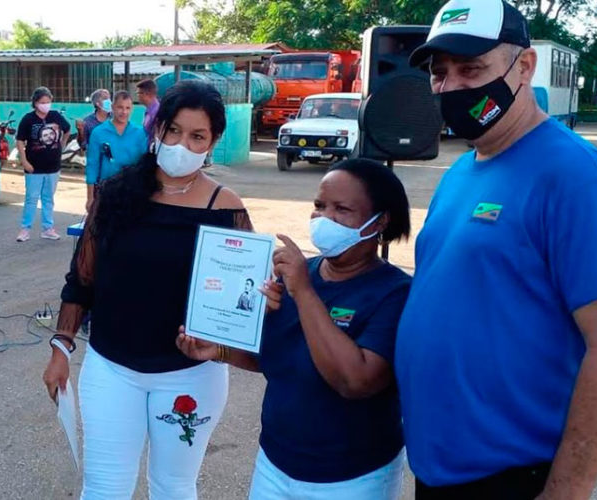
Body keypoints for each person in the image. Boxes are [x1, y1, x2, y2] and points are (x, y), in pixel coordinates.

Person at [395, 0, 597, 498]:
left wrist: (567, 491)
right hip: (439, 465)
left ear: (524, 67)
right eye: (440, 74)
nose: (452, 87)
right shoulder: (462, 171)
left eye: (472, 69)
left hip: (512, 478)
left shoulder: (573, 174)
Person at [42, 80, 252, 500]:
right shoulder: (117, 193)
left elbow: (242, 304)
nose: (182, 144)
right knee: (104, 487)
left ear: (213, 141)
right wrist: (61, 347)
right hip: (111, 368)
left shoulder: (226, 209)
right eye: (174, 130)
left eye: (197, 136)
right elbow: (82, 278)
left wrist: (228, 338)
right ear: (157, 129)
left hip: (190, 377)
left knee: (173, 487)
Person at [177, 158, 413, 500]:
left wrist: (303, 292)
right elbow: (277, 357)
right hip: (276, 464)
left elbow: (356, 380)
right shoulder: (297, 275)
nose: (323, 218)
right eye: (319, 206)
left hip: (353, 476)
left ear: (380, 222)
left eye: (342, 209)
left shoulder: (394, 292)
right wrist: (220, 350)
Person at [15, 86, 71, 242]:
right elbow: (20, 141)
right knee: (31, 198)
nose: (46, 105)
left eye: (48, 102)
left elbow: (67, 129)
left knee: (48, 199)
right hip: (34, 167)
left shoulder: (55, 116)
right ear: (35, 103)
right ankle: (25, 229)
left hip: (53, 166)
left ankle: (48, 228)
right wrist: (24, 161)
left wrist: (62, 144)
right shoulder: (28, 119)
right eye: (42, 102)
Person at [85, 90, 148, 212]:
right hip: (106, 192)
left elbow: (144, 165)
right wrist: (90, 197)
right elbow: (92, 165)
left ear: (132, 109)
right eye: (120, 107)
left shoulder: (140, 133)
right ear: (113, 107)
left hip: (132, 192)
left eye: (127, 108)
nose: (124, 112)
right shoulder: (98, 133)